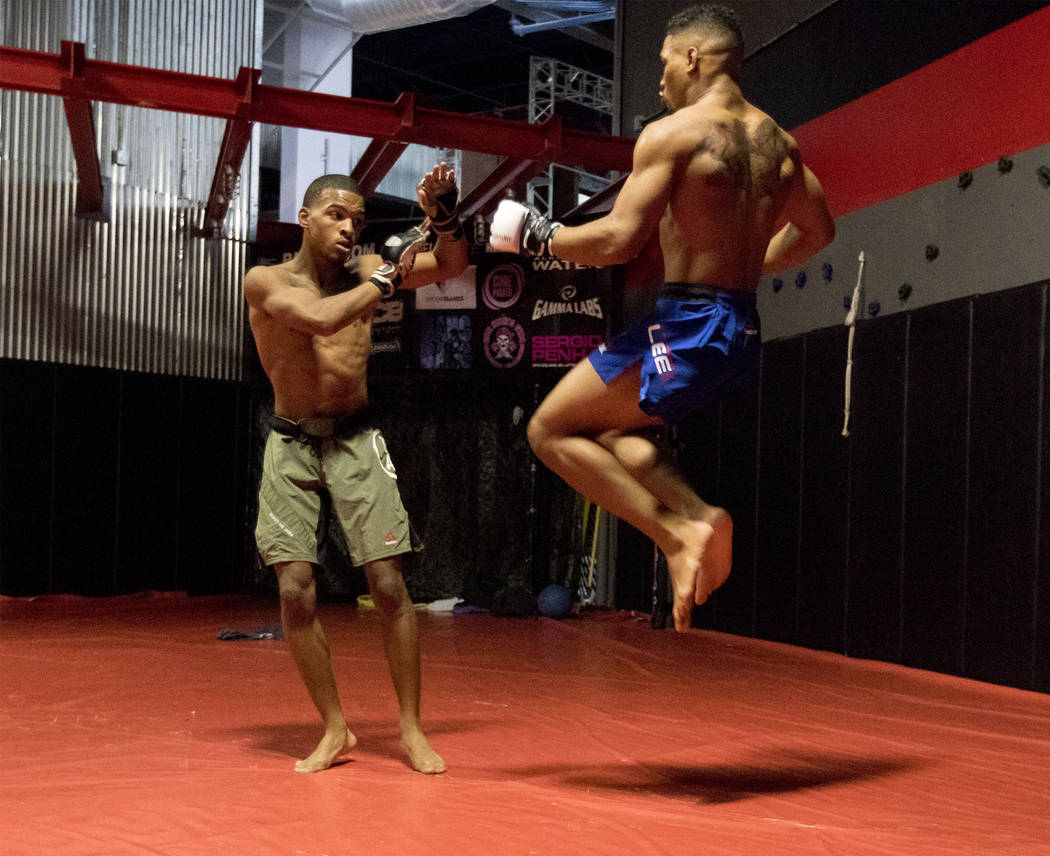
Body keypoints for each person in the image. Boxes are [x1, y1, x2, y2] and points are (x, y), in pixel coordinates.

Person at [489, 4, 835, 632]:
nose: (660, 80)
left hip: (687, 324)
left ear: (693, 57)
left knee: (548, 431)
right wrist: (750, 263)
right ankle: (697, 514)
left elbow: (620, 239)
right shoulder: (781, 145)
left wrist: (539, 235)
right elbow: (818, 231)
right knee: (617, 437)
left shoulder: (675, 133)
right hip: (740, 330)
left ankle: (678, 534)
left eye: (664, 62)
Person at [244, 163, 467, 773]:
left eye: (359, 221)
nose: (348, 229)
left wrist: (444, 216)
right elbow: (319, 319)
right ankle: (336, 728)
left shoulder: (371, 272)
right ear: (305, 218)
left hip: (355, 439)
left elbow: (451, 266)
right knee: (294, 592)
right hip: (290, 444)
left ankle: (412, 731)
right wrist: (391, 276)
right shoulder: (263, 281)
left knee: (390, 586)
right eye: (337, 216)